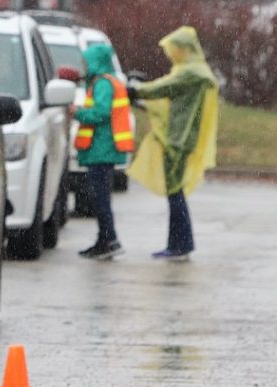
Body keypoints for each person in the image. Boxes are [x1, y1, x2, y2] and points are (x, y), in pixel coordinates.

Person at [127, 26, 219, 262]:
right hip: (180, 134)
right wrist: (141, 98)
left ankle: (180, 245)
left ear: (184, 49)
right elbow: (171, 100)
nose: (171, 54)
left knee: (175, 193)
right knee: (175, 193)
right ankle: (178, 244)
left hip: (179, 138)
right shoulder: (193, 70)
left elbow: (162, 88)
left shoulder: (191, 73)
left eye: (174, 49)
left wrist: (135, 89)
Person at [73, 44, 135, 260]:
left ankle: (109, 240)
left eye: (86, 62)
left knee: (100, 198)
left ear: (95, 62)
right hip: (102, 150)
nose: (84, 66)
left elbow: (100, 113)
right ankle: (104, 239)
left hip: (102, 149)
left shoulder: (103, 84)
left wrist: (77, 112)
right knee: (100, 198)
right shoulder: (104, 83)